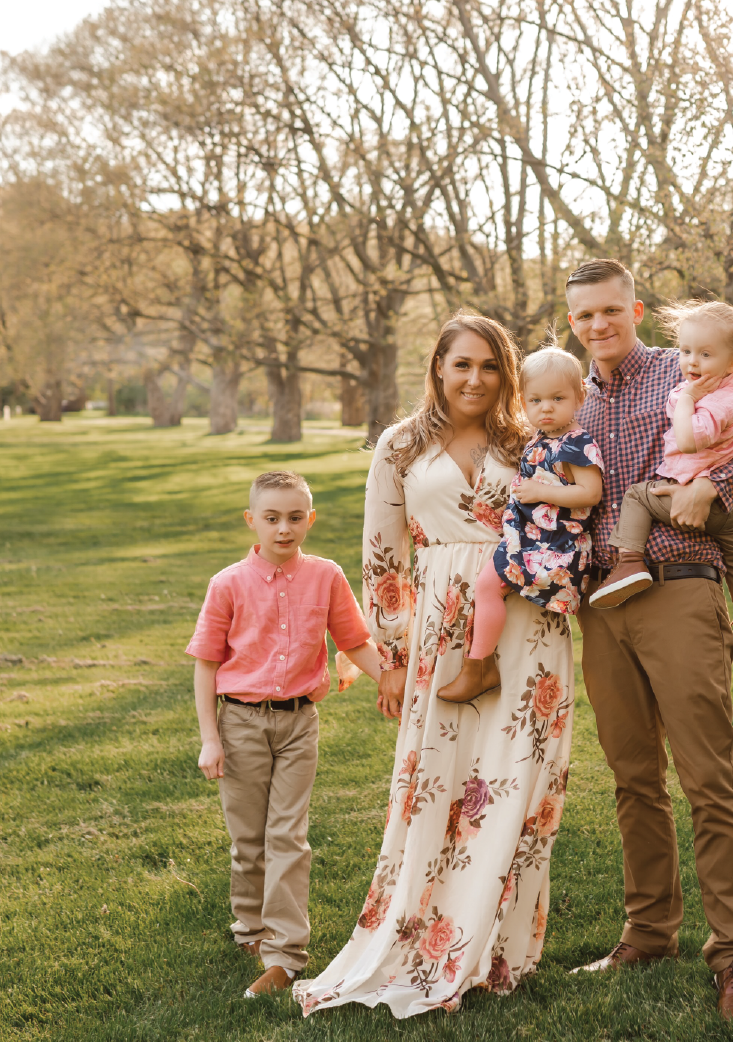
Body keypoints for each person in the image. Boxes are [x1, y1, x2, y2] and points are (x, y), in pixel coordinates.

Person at [294, 312, 576, 1019]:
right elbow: (382, 554)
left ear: (505, 374)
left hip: (529, 627)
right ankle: (427, 942)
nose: (475, 379)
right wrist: (389, 655)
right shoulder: (400, 444)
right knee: (437, 787)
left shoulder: (531, 440)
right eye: (462, 365)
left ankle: (490, 952)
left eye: (488, 366)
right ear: (438, 369)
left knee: (515, 787)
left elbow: (573, 519)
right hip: (439, 630)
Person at [566, 260, 733, 1028]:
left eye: (608, 311)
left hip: (679, 589)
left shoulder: (685, 365)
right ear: (571, 324)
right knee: (633, 779)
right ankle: (648, 934)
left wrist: (716, 487)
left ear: (632, 308)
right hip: (601, 603)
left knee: (708, 779)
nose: (597, 326)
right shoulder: (576, 396)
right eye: (582, 316)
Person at [187, 470, 381, 998]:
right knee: (249, 841)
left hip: (298, 725)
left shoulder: (326, 576)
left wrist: (393, 679)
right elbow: (206, 665)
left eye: (295, 518)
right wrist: (211, 737)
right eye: (271, 518)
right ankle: (250, 929)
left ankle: (286, 954)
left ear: (310, 519)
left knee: (287, 836)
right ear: (252, 521)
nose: (284, 529)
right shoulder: (227, 583)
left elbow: (354, 640)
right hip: (240, 724)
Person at [589, 299, 733, 660]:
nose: (692, 361)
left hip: (693, 525)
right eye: (686, 350)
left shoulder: (704, 392)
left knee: (638, 496)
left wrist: (687, 401)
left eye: (705, 354)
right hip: (732, 510)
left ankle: (629, 561)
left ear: (635, 311)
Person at [437, 346, 603, 703]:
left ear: (580, 397)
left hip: (551, 544)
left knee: (485, 586)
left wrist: (540, 491)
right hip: (530, 537)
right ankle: (480, 664)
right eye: (535, 400)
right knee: (487, 589)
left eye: (557, 398)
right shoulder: (543, 439)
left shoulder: (577, 443)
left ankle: (478, 667)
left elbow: (590, 493)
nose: (545, 407)